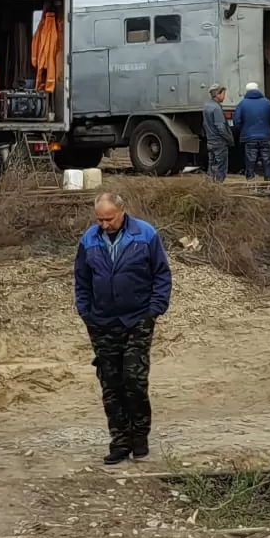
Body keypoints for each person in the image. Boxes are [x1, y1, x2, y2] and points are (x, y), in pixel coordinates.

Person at [73, 192, 172, 465]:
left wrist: (154, 310)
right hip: (102, 322)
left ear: (122, 211)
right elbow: (81, 280)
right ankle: (119, 441)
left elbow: (161, 274)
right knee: (111, 384)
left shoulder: (146, 234)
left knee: (134, 380)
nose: (104, 224)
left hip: (138, 319)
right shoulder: (89, 240)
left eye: (109, 219)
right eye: (100, 220)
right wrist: (86, 313)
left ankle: (140, 436)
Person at [232, 81, 270, 181]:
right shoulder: (267, 102)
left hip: (249, 138)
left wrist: (243, 130)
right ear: (258, 89)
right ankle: (269, 183)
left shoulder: (242, 104)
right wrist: (269, 128)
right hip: (265, 137)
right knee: (267, 161)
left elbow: (236, 121)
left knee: (250, 161)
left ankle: (251, 183)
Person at [202, 84, 233, 182]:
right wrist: (229, 139)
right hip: (219, 142)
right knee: (220, 166)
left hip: (210, 141)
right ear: (218, 95)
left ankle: (211, 186)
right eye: (223, 93)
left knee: (211, 165)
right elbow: (221, 127)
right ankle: (218, 186)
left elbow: (204, 124)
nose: (224, 96)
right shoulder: (216, 108)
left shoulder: (206, 107)